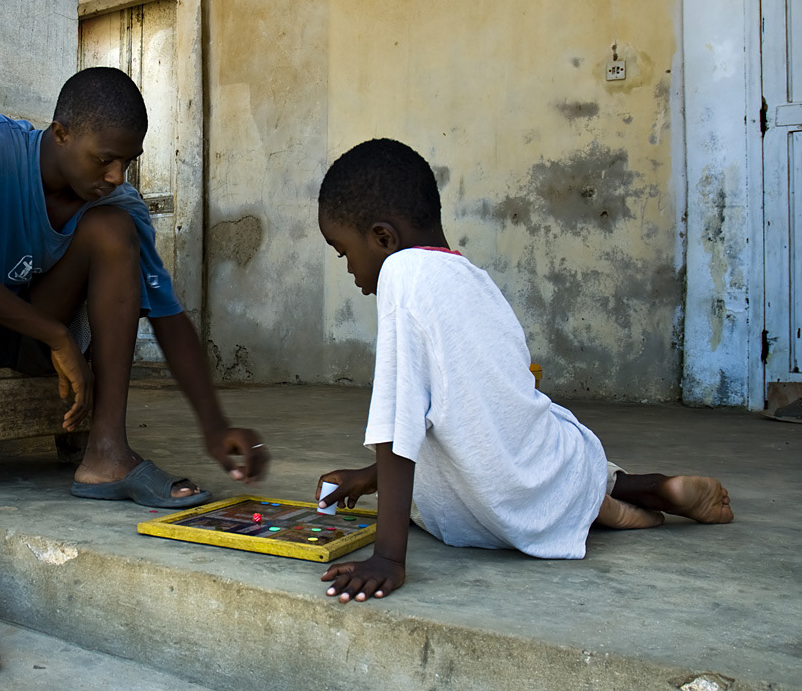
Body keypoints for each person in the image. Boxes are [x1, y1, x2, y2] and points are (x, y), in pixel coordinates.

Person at [0, 67, 267, 671]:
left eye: (128, 161)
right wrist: (54, 335)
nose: (117, 176)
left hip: (7, 336)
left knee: (114, 232)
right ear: (61, 133)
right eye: (105, 159)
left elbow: (169, 315)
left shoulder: (114, 200)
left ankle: (106, 454)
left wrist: (213, 424)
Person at [312, 138, 733, 604]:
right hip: (543, 468)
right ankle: (635, 492)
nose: (349, 269)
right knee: (564, 459)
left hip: (495, 511)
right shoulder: (472, 279)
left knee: (431, 503)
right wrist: (369, 476)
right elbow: (470, 414)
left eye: (342, 251)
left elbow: (401, 422)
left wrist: (388, 558)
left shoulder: (401, 276)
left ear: (383, 238)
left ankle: (602, 508)